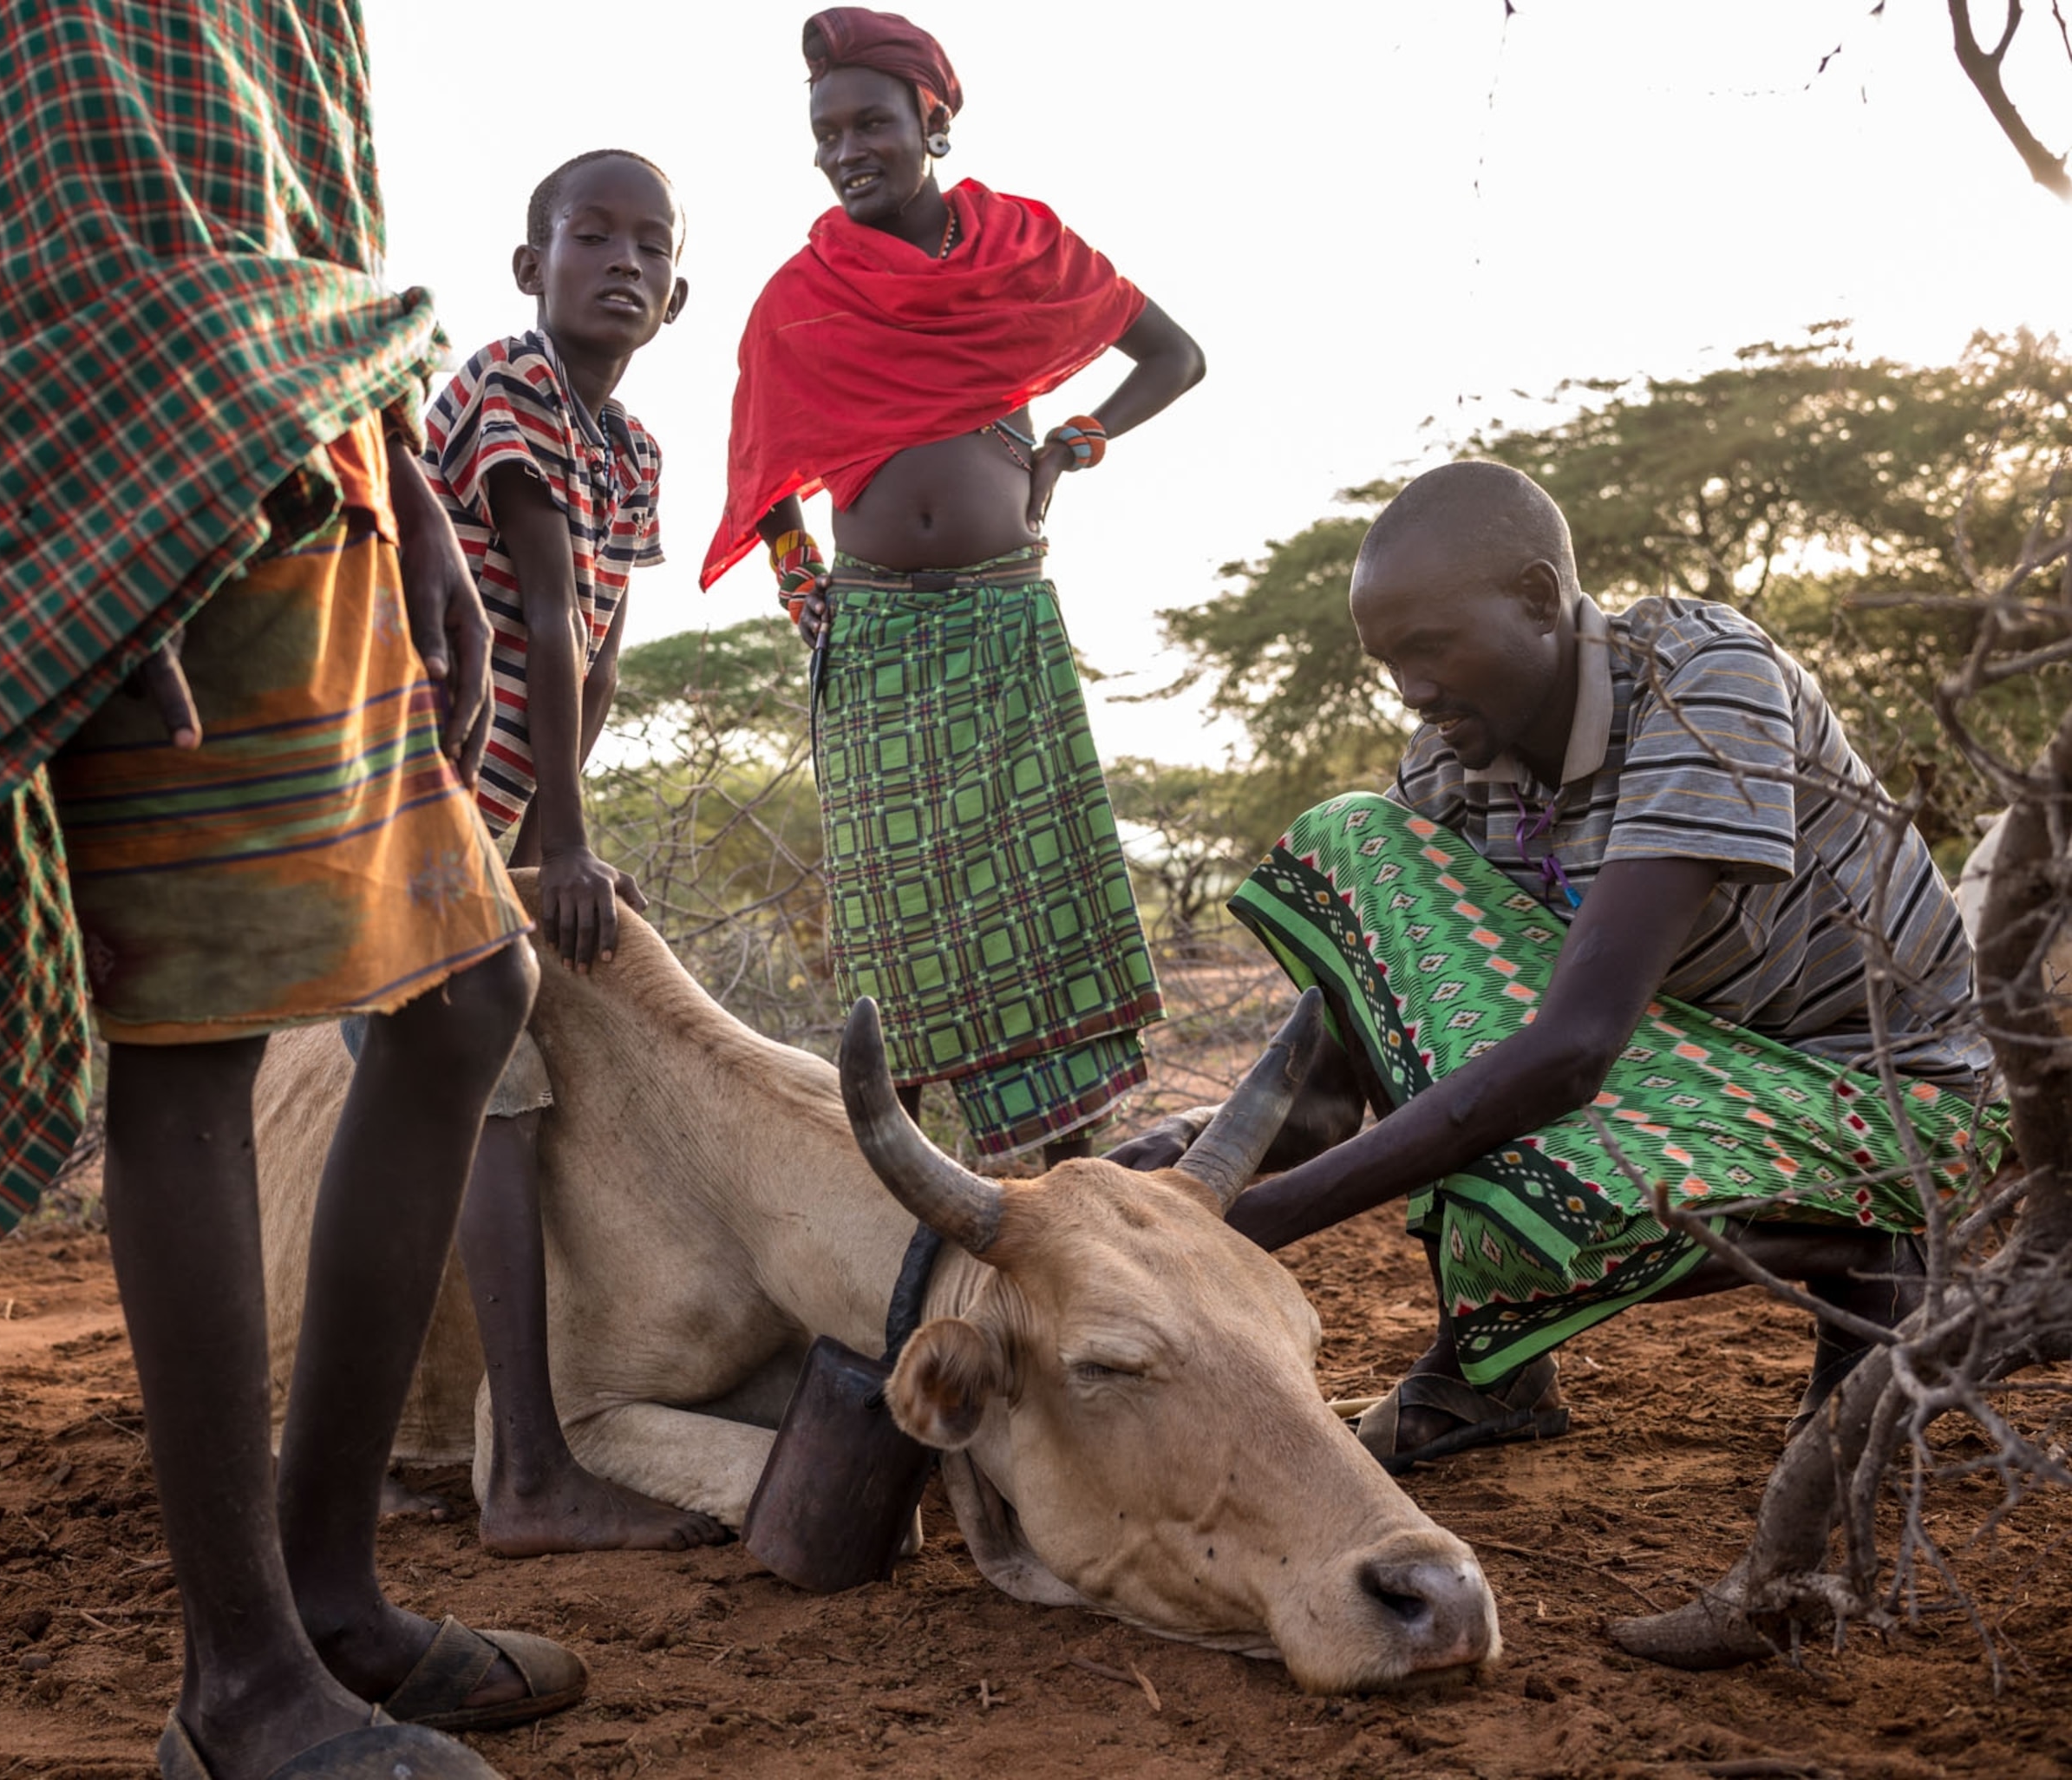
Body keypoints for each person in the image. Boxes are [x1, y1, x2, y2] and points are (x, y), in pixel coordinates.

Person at [0, 5, 587, 1774]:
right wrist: (67, 537)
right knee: (193, 1038)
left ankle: (329, 1606)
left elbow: (311, 180)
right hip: (86, 469)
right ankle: (239, 1689)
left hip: (299, 433)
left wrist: (404, 486)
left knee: (472, 986)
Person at [1116, 461, 2010, 1473]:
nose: (1411, 690)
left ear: (1540, 600)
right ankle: (1491, 1371)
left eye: (1428, 647)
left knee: (1534, 1160)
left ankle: (1879, 1263)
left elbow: (1574, 1050)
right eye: (1388, 662)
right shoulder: (1449, 763)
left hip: (1883, 1096)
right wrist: (1190, 1162)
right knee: (1361, 847)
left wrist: (1257, 1224)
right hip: (1684, 1071)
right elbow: (1341, 1083)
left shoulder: (1703, 677)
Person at [706, 6, 1206, 1165]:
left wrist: (1070, 444)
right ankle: (909, 1213)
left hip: (1003, 621)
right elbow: (760, 477)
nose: (845, 153)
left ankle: (1077, 1194)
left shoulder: (1020, 248)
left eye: (869, 123)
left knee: (1038, 907)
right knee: (894, 923)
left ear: (931, 120)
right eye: (824, 135)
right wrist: (803, 594)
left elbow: (1176, 357)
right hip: (874, 637)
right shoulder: (801, 294)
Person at [410, 148, 724, 1555]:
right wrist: (569, 848)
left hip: (503, 804)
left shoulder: (635, 448)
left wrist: (557, 834)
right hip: (417, 784)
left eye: (648, 246)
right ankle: (529, 1466)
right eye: (587, 235)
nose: (622, 261)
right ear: (529, 266)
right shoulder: (508, 381)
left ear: (674, 294)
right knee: (497, 1086)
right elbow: (535, 617)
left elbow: (598, 653)